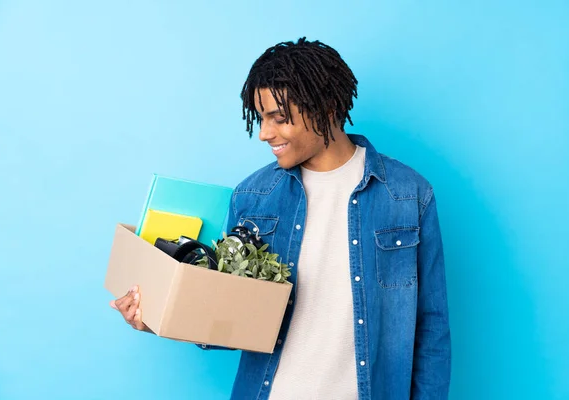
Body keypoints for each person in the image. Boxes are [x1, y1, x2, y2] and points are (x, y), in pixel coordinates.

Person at [110, 37, 451, 400]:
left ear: (328, 107)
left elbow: (431, 329)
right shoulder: (253, 197)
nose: (264, 133)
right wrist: (155, 317)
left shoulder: (408, 195)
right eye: (261, 118)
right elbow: (230, 321)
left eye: (279, 118)